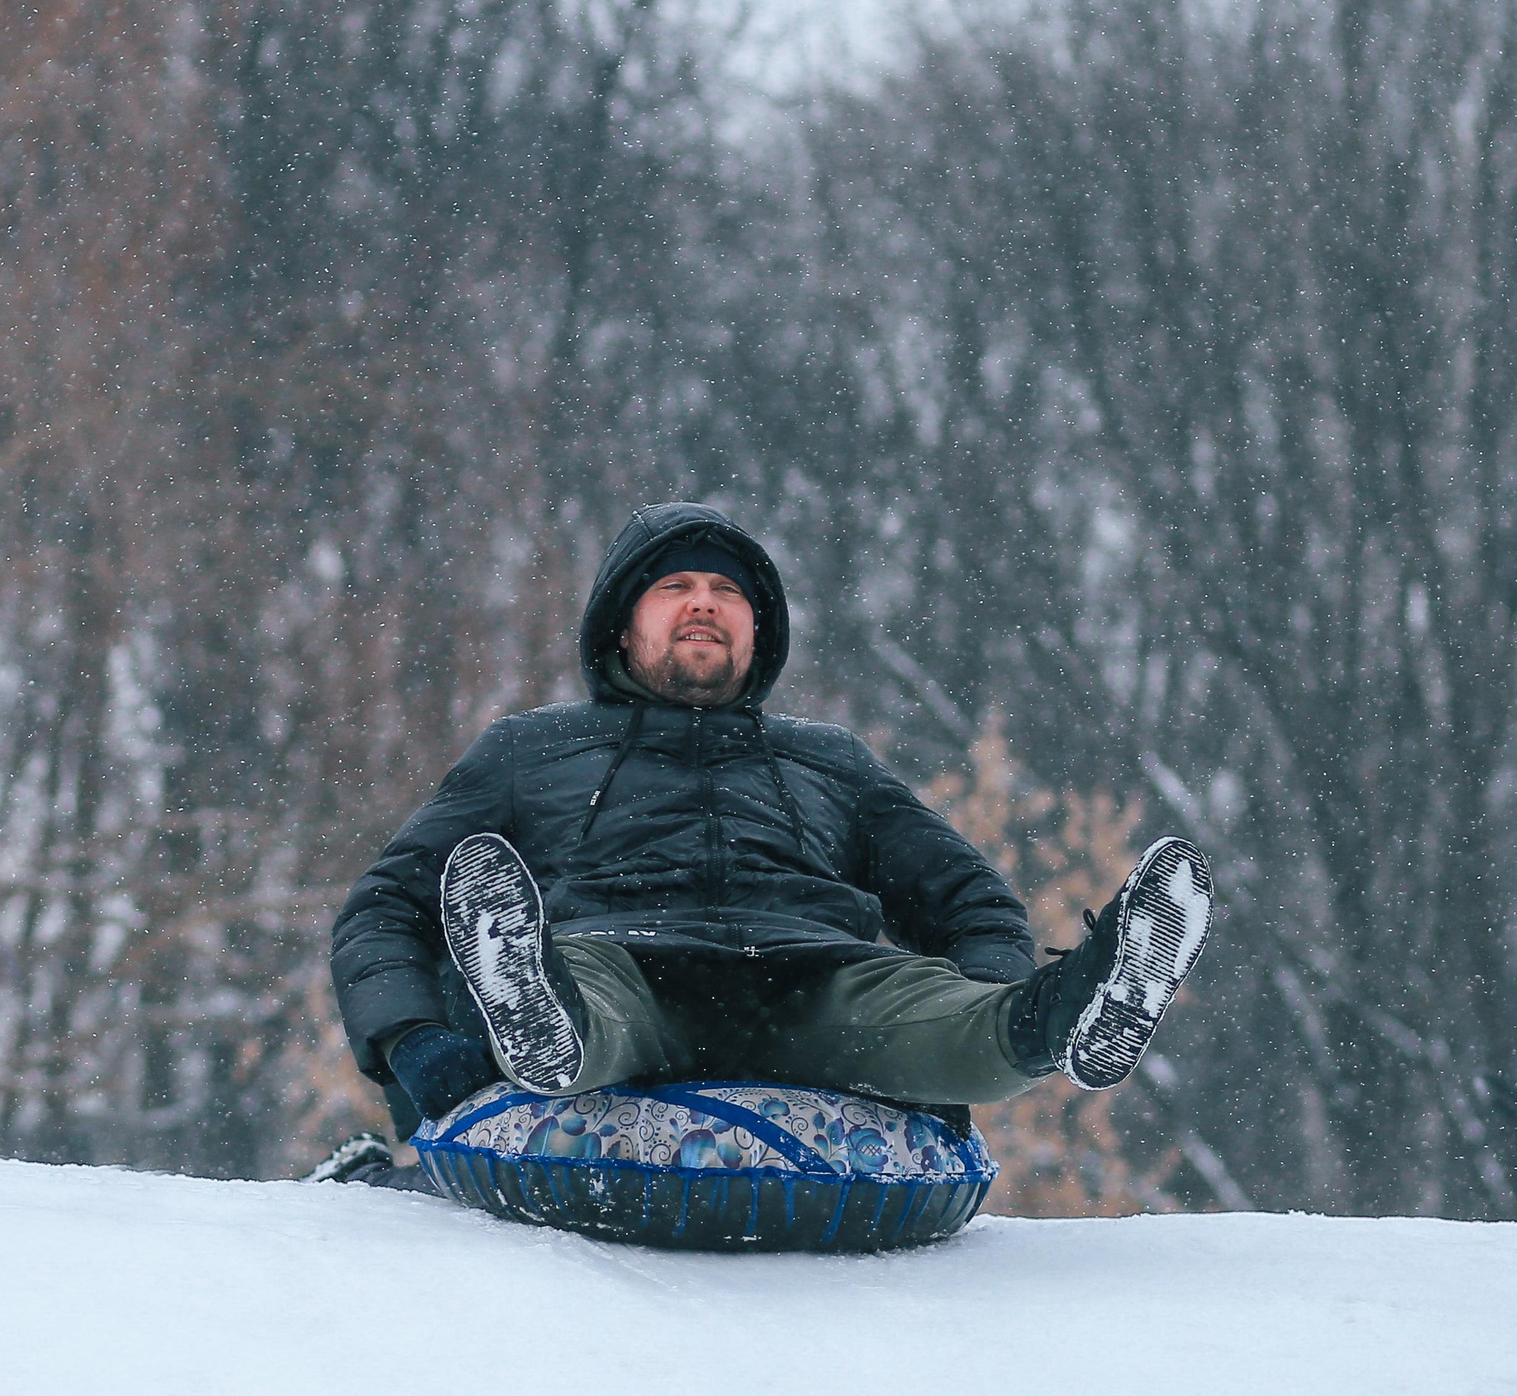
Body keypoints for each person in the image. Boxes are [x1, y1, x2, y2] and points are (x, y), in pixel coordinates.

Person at [309, 501, 1211, 1186]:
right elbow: (386, 905)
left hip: (813, 979)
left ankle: (1068, 1010)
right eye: (676, 587)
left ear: (757, 630)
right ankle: (539, 1020)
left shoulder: (829, 761)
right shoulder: (529, 749)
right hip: (622, 965)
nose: (705, 603)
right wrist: (414, 1043)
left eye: (728, 592)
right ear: (624, 624)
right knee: (586, 1007)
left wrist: (979, 988)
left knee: (943, 1012)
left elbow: (968, 897)